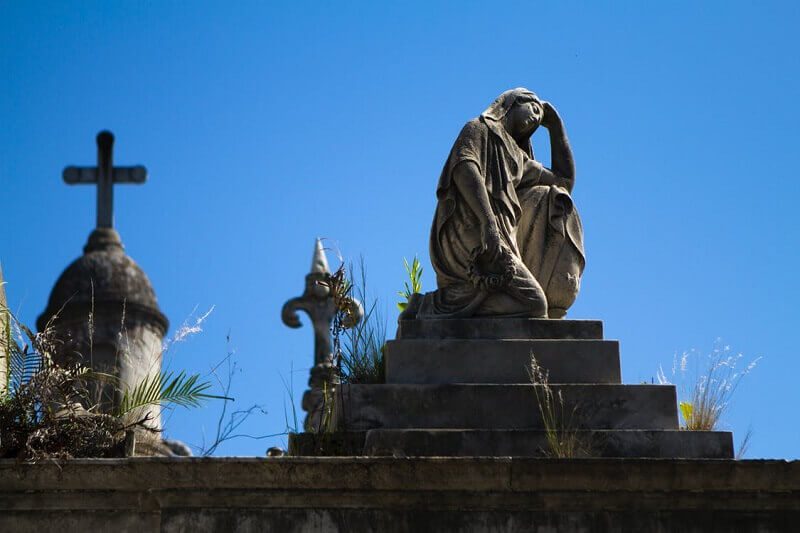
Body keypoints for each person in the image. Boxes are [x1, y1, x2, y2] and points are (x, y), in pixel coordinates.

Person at [415, 88, 585, 319]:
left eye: (539, 117)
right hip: (471, 232)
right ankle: (435, 306)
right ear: (512, 103)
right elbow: (465, 168)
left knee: (522, 303)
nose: (536, 117)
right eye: (533, 108)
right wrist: (489, 224)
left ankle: (437, 303)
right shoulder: (479, 128)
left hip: (501, 238)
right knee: (534, 305)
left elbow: (564, 182)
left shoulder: (518, 158)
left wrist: (556, 127)